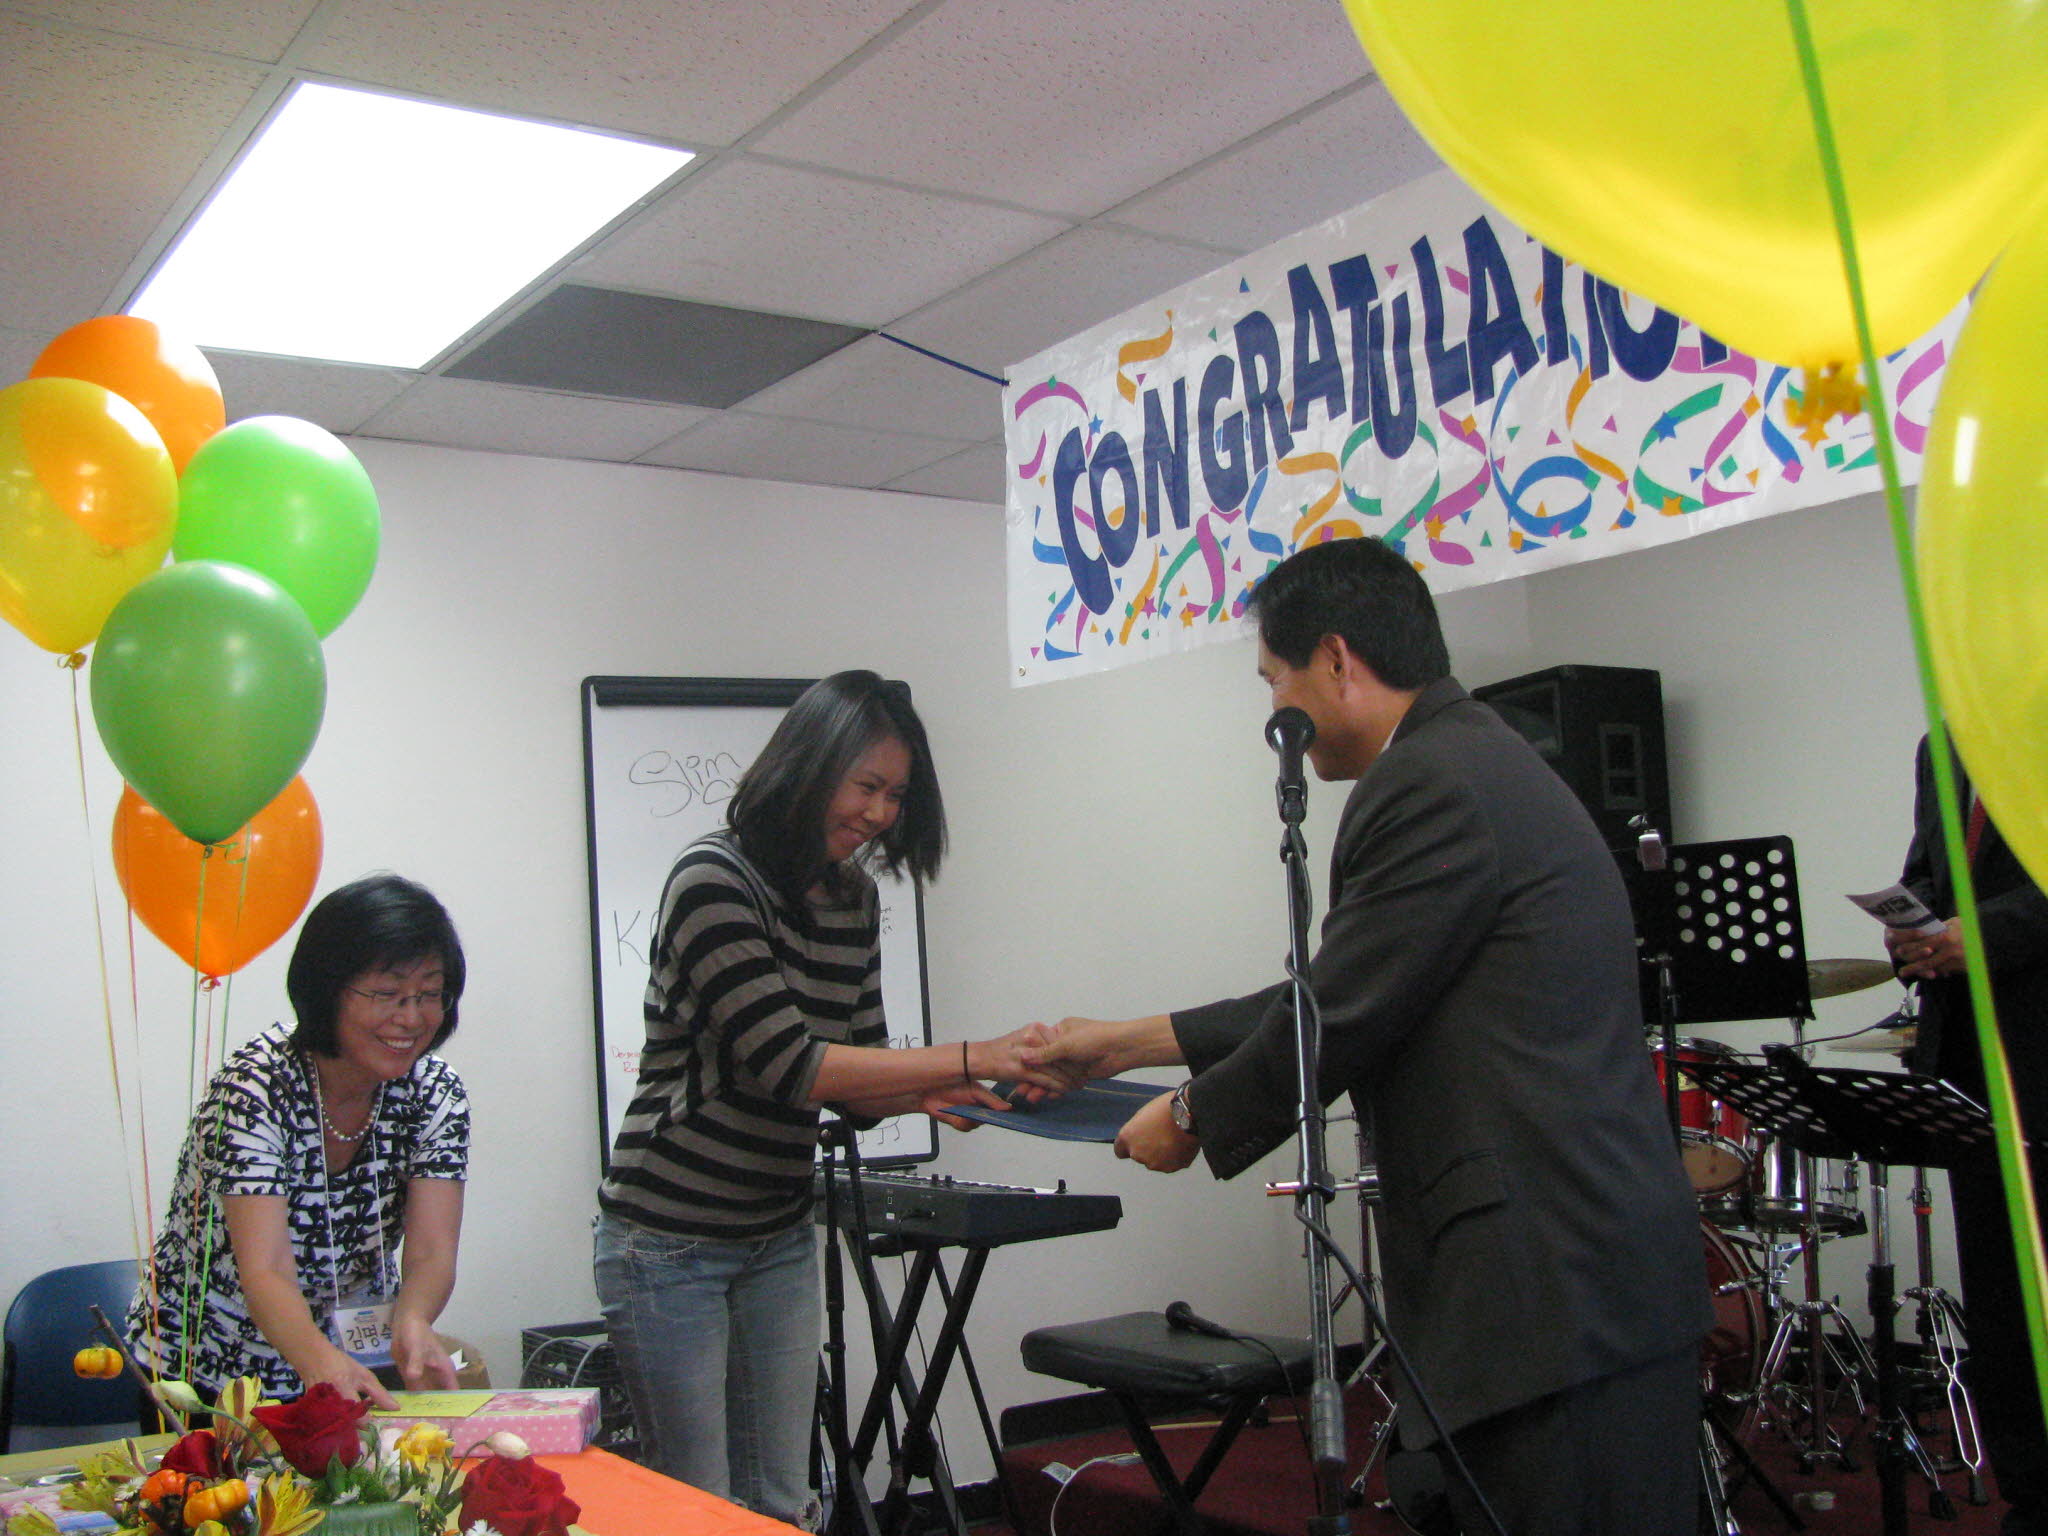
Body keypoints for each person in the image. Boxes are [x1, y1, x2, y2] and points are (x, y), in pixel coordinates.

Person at [1023, 538, 1709, 1536]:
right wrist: (1127, 1043)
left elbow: (1339, 1010)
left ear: (1336, 660)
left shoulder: (1431, 782)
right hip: (1573, 1289)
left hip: (1557, 1292)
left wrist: (1191, 1115)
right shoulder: (1468, 758)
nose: (1272, 711)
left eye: (1273, 679)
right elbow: (1358, 985)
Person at [594, 670, 1066, 1527]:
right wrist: (974, 1052)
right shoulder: (712, 879)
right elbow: (792, 1066)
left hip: (775, 1231)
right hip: (668, 1242)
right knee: (698, 1506)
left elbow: (861, 1081)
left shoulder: (854, 897)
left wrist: (940, 1089)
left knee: (783, 1499)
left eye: (897, 795)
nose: (881, 814)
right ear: (809, 767)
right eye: (867, 786)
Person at [127, 873, 469, 1409]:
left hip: (348, 1358)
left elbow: (432, 1248)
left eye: (429, 994)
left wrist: (414, 1319)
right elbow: (265, 1268)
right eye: (387, 994)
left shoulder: (435, 1092)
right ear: (327, 990)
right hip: (210, 1366)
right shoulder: (254, 1089)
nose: (411, 1017)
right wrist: (317, 1362)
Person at [1885, 736, 2048, 1536]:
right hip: (1968, 1061)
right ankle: (2031, 1493)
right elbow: (1929, 869)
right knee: (2000, 1304)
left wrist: (1981, 933)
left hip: (2040, 1039)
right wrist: (1911, 926)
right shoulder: (1942, 744)